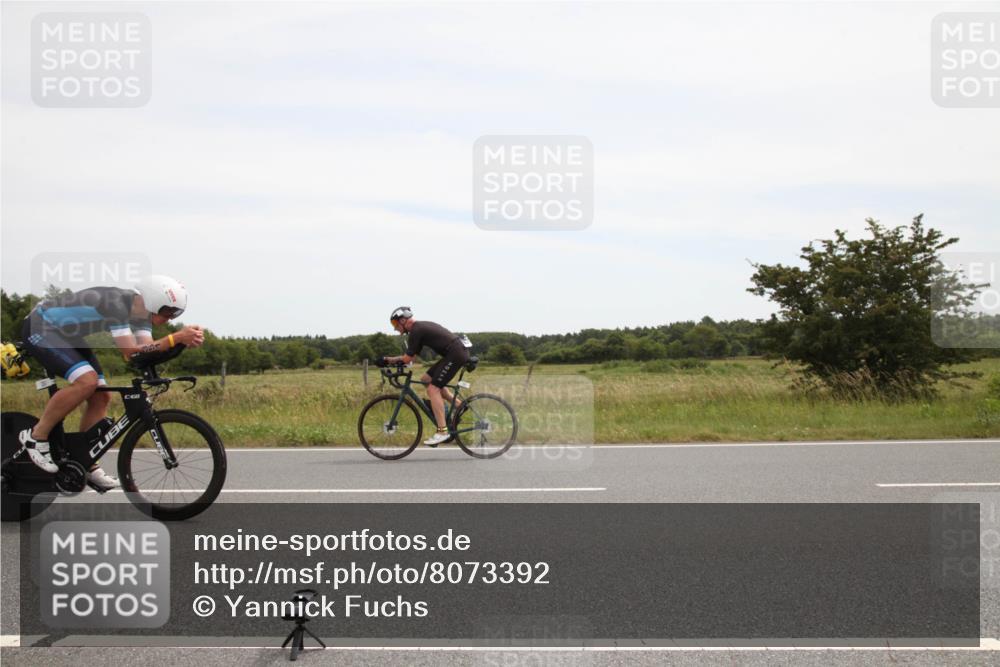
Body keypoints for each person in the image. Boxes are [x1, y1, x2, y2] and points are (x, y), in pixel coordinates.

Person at [18, 275, 205, 488]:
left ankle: (85, 462)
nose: (171, 318)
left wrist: (180, 344)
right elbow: (130, 351)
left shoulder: (142, 316)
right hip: (41, 327)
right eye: (169, 311)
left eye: (176, 313)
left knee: (101, 397)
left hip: (67, 337)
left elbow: (145, 353)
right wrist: (176, 338)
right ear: (153, 301)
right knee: (87, 382)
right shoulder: (116, 304)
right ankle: (36, 436)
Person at [383, 306, 469, 446]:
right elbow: (411, 358)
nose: (395, 328)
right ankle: (459, 406)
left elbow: (407, 359)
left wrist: (387, 360)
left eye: (395, 323)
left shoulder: (416, 330)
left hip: (455, 353)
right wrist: (394, 361)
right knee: (426, 380)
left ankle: (442, 431)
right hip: (454, 352)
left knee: (432, 389)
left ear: (403, 320)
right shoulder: (418, 329)